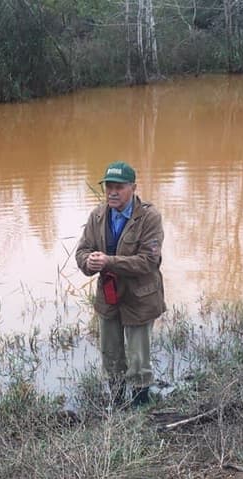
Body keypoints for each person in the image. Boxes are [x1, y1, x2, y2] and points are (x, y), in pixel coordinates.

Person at [75, 161, 166, 408]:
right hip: (109, 295)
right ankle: (116, 405)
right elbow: (82, 250)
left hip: (141, 296)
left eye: (119, 187)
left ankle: (139, 408)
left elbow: (148, 262)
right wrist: (89, 262)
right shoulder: (97, 215)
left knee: (138, 359)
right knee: (111, 355)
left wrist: (108, 261)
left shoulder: (149, 217)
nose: (112, 192)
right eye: (108, 187)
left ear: (133, 187)